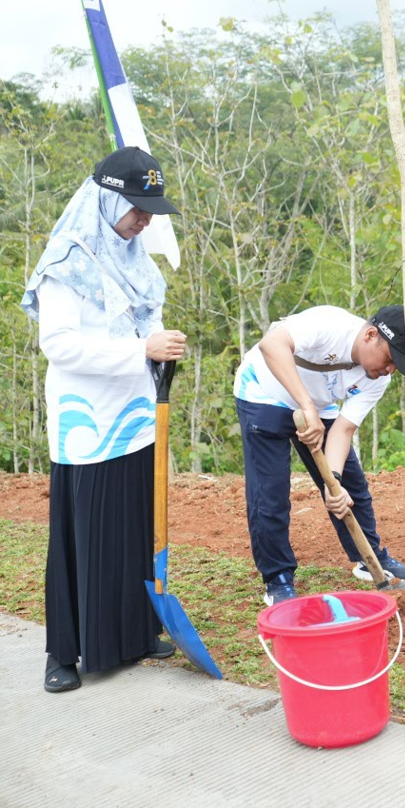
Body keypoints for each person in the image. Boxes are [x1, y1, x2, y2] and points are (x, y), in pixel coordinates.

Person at [20, 146, 187, 693]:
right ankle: (63, 653)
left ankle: (136, 633)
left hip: (137, 416)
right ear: (106, 197)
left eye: (150, 209)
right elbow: (61, 347)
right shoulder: (66, 262)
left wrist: (161, 352)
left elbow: (149, 326)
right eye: (137, 207)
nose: (144, 219)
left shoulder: (134, 258)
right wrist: (143, 348)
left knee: (134, 532)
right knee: (81, 536)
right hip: (87, 424)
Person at [233, 304, 405, 604]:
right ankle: (278, 579)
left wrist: (332, 482)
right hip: (263, 392)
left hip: (317, 405)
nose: (390, 370)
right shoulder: (328, 324)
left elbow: (343, 430)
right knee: (270, 494)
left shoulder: (377, 379)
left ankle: (368, 557)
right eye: (390, 358)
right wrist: (305, 406)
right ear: (371, 335)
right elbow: (271, 343)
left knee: (351, 487)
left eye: (397, 366)